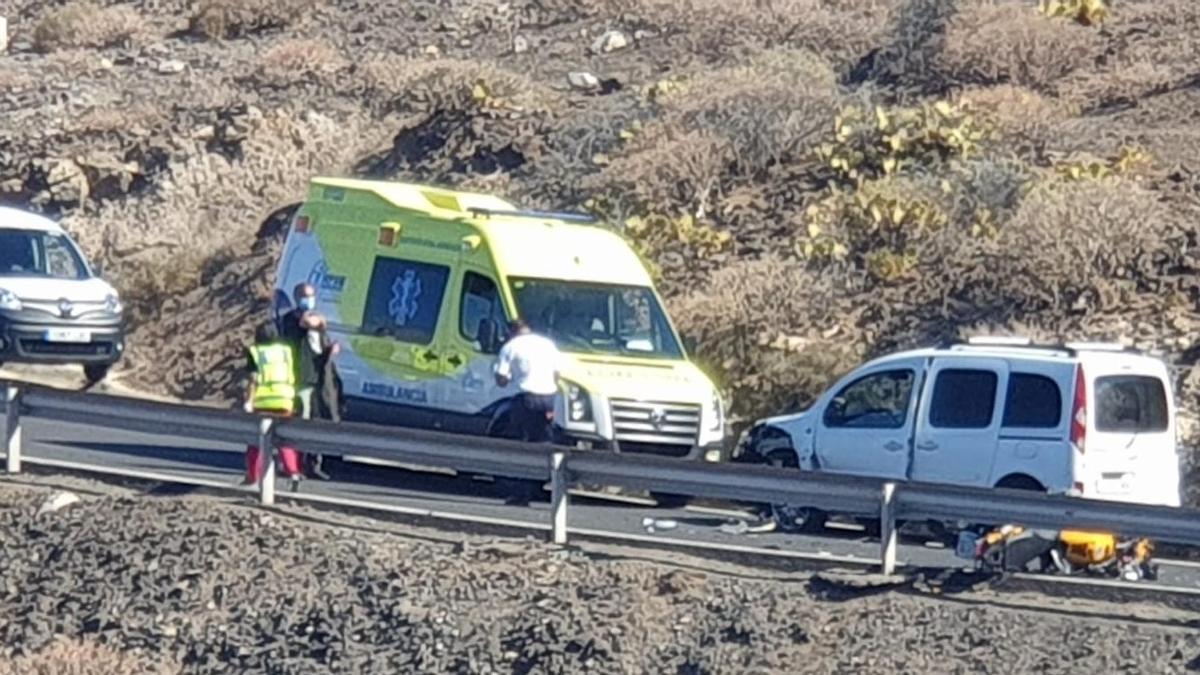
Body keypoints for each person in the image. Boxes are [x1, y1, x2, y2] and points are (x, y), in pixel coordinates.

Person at [279, 282, 339, 480]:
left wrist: (331, 350)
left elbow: (321, 334)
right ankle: (290, 464)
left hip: (318, 379)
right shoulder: (292, 318)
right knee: (299, 423)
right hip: (300, 378)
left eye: (311, 296)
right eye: (305, 296)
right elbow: (309, 322)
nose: (309, 300)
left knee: (316, 423)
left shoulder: (315, 319)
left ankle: (313, 463)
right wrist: (319, 321)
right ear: (297, 298)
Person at [242, 321, 304, 489]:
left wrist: (249, 400)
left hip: (264, 400)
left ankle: (253, 477)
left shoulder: (255, 352)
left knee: (256, 441)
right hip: (285, 399)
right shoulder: (285, 352)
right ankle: (294, 472)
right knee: (285, 439)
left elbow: (253, 380)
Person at [493, 318, 563, 444]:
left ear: (511, 332)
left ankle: (521, 461)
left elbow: (501, 380)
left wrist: (508, 377)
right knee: (544, 435)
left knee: (519, 435)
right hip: (549, 398)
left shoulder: (510, 347)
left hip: (526, 399)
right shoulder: (548, 344)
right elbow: (557, 374)